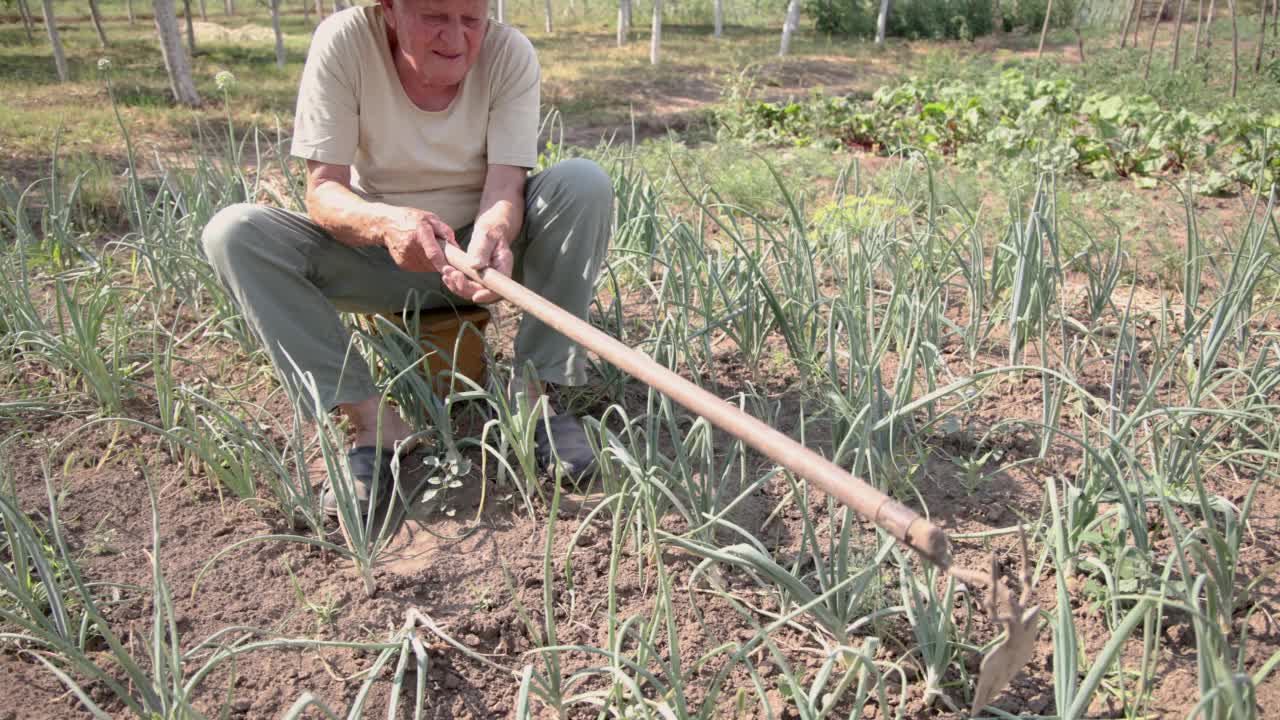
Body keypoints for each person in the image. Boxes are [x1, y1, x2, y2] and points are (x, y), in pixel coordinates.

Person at [201, 0, 612, 515]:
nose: (456, 39)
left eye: (471, 19)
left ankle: (531, 400)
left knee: (582, 183)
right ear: (390, 9)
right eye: (434, 17)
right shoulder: (346, 42)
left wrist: (493, 232)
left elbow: (507, 184)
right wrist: (386, 223)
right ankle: (375, 424)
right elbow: (324, 190)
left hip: (482, 260)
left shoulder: (510, 53)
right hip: (382, 256)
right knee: (234, 232)